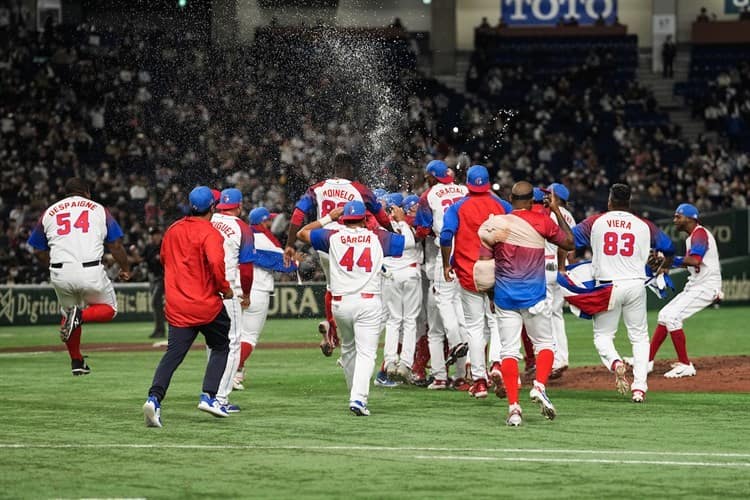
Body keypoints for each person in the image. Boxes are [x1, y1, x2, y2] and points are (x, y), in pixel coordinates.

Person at [478, 181, 574, 426]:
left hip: (505, 296)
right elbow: (570, 243)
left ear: (510, 198)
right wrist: (555, 211)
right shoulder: (542, 221)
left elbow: (484, 268)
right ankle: (539, 386)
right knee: (545, 345)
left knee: (508, 352)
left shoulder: (496, 224)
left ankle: (513, 409)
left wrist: (491, 297)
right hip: (534, 295)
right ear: (532, 200)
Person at [297, 201, 406, 416]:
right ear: (365, 219)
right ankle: (358, 398)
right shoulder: (377, 237)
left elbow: (302, 232)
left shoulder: (332, 236)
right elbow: (405, 243)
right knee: (366, 353)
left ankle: (353, 392)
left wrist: (329, 217)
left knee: (348, 349)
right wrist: (400, 221)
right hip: (368, 301)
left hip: (340, 303)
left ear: (343, 219)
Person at [571, 184, 675, 404]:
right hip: (636, 285)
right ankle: (639, 388)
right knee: (639, 337)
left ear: (610, 201)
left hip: (607, 286)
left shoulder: (595, 222)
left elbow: (568, 240)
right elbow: (669, 246)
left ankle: (616, 363)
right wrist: (663, 266)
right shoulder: (644, 225)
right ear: (629, 201)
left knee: (603, 336)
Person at [284, 153, 393, 357]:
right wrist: (391, 230)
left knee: (332, 287)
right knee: (357, 286)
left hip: (324, 241)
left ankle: (332, 329)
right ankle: (340, 331)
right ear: (350, 169)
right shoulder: (358, 188)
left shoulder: (318, 187)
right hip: (352, 240)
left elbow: (298, 214)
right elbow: (381, 215)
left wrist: (290, 244)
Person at [142, 186, 234, 428]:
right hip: (206, 305)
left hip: (178, 306)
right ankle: (208, 396)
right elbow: (216, 263)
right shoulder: (210, 232)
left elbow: (163, 259)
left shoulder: (172, 230)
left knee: (173, 354)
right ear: (212, 208)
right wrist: (225, 288)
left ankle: (154, 399)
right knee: (222, 345)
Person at [27, 177, 131, 376]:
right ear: (87, 192)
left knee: (68, 315)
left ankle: (77, 361)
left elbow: (38, 250)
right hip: (90, 270)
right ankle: (80, 316)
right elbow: (116, 246)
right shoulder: (99, 209)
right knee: (109, 309)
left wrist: (56, 264)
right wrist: (125, 268)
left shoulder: (50, 211)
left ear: (66, 193)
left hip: (59, 271)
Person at [440, 165, 508, 399]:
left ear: (467, 183)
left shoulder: (458, 206)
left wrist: (445, 263)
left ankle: (479, 381)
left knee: (475, 327)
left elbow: (446, 234)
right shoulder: (501, 205)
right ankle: (497, 364)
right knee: (498, 321)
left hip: (469, 271)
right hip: (497, 271)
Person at [648, 204, 722, 378]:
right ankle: (647, 361)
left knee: (672, 317)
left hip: (706, 286)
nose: (675, 220)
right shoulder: (692, 237)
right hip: (697, 285)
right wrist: (665, 264)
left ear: (690, 218)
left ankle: (685, 364)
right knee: (664, 315)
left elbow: (695, 260)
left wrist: (668, 260)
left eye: (678, 217)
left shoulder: (700, 233)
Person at [414, 160, 470, 390]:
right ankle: (461, 376)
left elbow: (422, 230)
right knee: (464, 315)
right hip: (467, 255)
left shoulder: (428, 195)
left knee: (437, 324)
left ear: (431, 176)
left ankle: (442, 372)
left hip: (442, 259)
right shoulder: (465, 190)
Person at [234, 206, 298, 390]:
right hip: (256, 290)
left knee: (235, 337)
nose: (271, 222)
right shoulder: (262, 238)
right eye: (268, 220)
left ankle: (237, 374)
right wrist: (297, 261)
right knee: (249, 337)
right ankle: (227, 375)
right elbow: (284, 263)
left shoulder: (241, 234)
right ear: (263, 222)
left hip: (236, 287)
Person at [210, 187, 256, 412]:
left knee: (212, 345)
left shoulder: (206, 222)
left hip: (205, 292)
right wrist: (246, 293)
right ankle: (220, 398)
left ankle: (210, 393)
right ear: (238, 206)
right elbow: (246, 269)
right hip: (229, 291)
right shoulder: (241, 227)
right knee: (232, 345)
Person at [381, 193, 421, 384]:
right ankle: (405, 363)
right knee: (410, 321)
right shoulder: (411, 221)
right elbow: (411, 241)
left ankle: (390, 361)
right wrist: (404, 222)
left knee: (393, 320)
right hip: (410, 273)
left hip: (390, 275)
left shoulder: (380, 224)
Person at [545, 183, 577, 379]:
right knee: (555, 315)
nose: (546, 197)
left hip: (545, 267)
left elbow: (562, 243)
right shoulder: (569, 216)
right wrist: (564, 267)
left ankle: (553, 359)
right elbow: (571, 247)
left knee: (544, 315)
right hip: (560, 270)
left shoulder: (549, 213)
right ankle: (561, 358)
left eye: (549, 194)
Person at [143, 226, 165, 339]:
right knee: (156, 304)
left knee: (155, 301)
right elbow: (142, 260)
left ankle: (160, 330)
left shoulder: (164, 245)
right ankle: (159, 329)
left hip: (164, 277)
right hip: (153, 278)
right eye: (152, 234)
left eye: (155, 234)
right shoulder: (148, 247)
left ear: (160, 235)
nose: (153, 236)